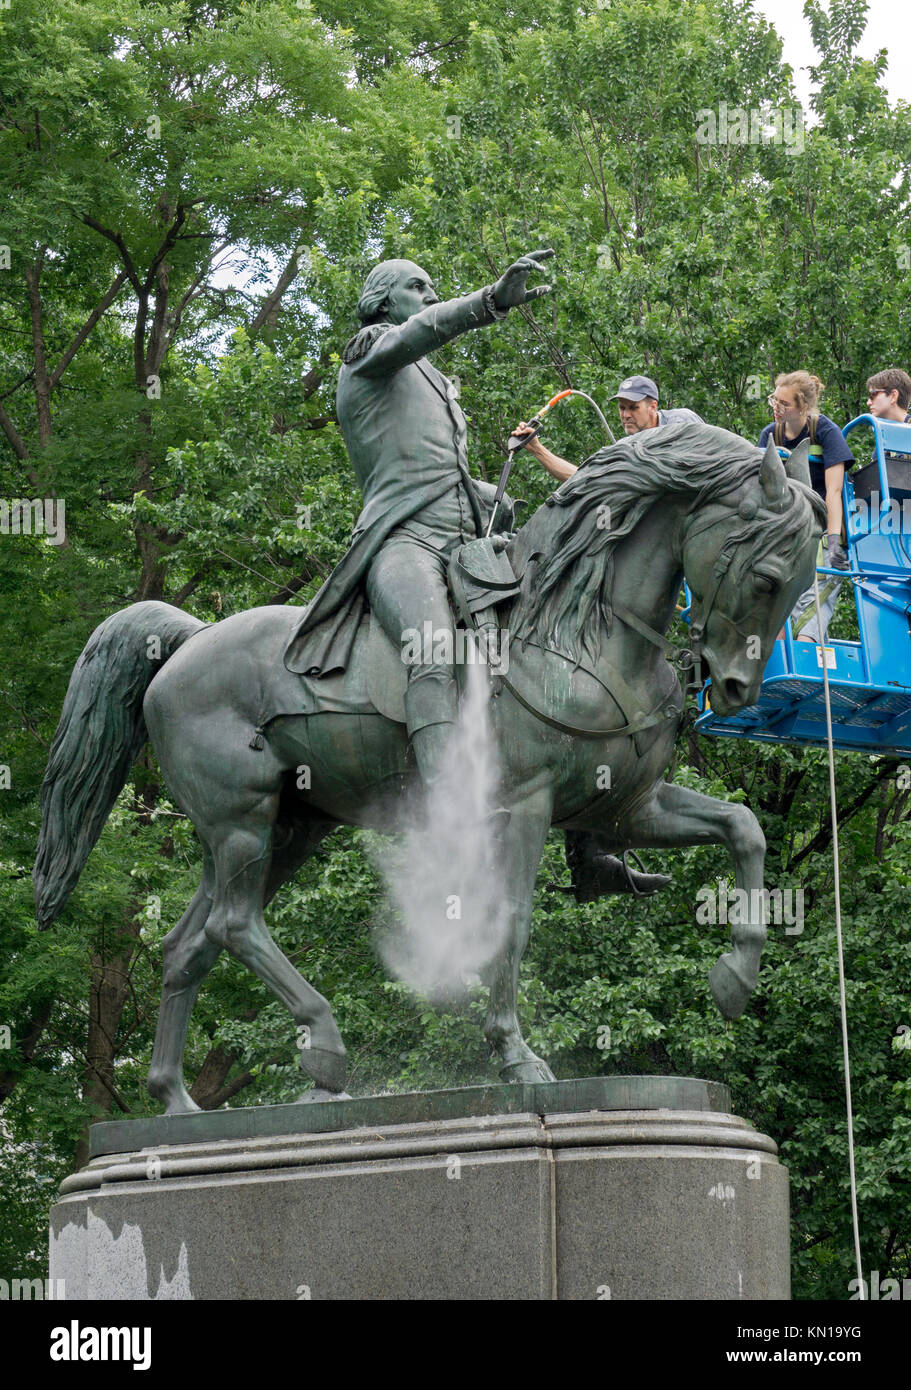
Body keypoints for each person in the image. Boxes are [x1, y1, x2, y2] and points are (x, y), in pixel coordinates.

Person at [282, 250, 553, 796]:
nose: (429, 296)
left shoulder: (429, 377)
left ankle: (586, 833)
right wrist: (489, 301)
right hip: (403, 544)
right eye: (417, 286)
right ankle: (450, 806)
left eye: (431, 288)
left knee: (555, 645)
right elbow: (421, 332)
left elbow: (444, 474)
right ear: (384, 301)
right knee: (430, 653)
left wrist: (495, 507)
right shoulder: (369, 352)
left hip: (461, 546)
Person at [758, 372, 854, 643]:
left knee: (811, 608)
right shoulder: (770, 435)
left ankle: (807, 656)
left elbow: (833, 491)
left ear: (802, 408)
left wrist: (833, 540)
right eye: (774, 400)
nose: (777, 408)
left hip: (820, 530)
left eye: (784, 404)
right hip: (783, 533)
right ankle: (775, 669)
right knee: (774, 608)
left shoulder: (824, 432)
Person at [515, 374, 702, 481]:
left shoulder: (681, 421)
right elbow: (586, 479)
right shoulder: (625, 449)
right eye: (622, 408)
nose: (626, 415)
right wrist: (536, 449)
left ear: (653, 406)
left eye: (633, 408)